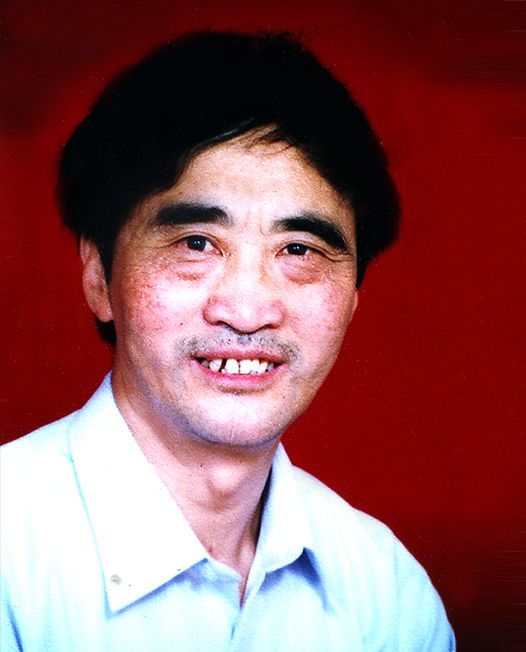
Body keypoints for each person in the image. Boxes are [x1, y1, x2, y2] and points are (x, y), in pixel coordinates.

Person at [0, 31, 455, 651]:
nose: (247, 310)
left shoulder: (388, 594)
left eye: (299, 250)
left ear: (352, 299)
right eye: (196, 243)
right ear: (99, 276)